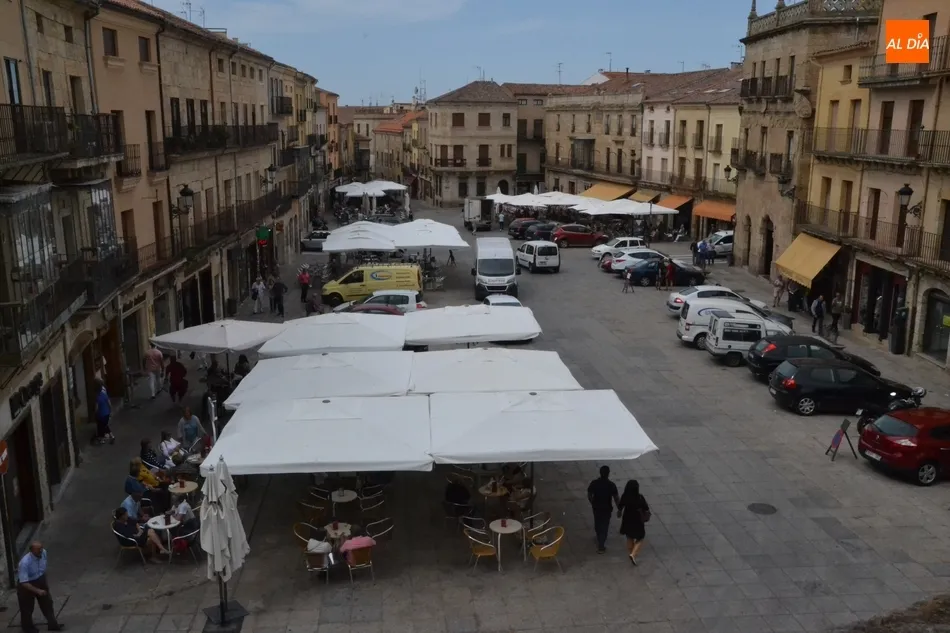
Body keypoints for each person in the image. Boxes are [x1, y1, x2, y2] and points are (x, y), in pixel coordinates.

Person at [17, 542, 64, 632]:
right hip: (27, 584)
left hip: (40, 579)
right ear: (32, 551)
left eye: (41, 548)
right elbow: (24, 582)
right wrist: (37, 590)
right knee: (27, 607)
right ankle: (28, 628)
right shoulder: (24, 563)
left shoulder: (43, 553)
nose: (41, 551)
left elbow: (42, 566)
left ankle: (52, 624)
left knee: (47, 603)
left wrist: (43, 580)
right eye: (38, 550)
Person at [587, 465, 620, 554]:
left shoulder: (594, 483)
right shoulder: (611, 485)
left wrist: (592, 502)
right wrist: (619, 509)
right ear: (608, 474)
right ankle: (601, 545)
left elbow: (589, 494)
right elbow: (616, 498)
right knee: (605, 526)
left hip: (597, 508)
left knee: (597, 523)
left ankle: (599, 538)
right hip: (606, 509)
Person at [617, 480, 650, 565]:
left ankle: (631, 552)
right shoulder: (640, 497)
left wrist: (619, 512)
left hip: (627, 519)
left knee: (629, 536)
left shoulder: (625, 496)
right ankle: (633, 554)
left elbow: (620, 506)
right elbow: (646, 508)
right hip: (637, 520)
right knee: (640, 537)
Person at [94, 378, 114, 443]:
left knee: (101, 427)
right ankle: (111, 435)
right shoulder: (104, 394)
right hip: (107, 414)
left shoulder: (97, 397)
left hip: (101, 415)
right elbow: (109, 404)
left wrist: (95, 414)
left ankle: (102, 439)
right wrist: (110, 411)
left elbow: (96, 408)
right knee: (105, 425)